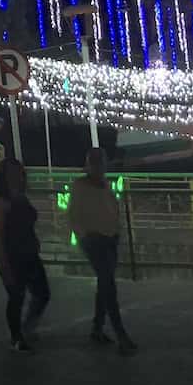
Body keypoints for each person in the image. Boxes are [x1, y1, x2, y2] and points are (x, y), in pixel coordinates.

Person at [68, 148, 137, 354]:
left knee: (104, 283)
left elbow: (112, 210)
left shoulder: (105, 185)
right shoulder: (80, 186)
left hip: (109, 239)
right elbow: (74, 214)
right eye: (95, 162)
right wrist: (84, 235)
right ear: (88, 164)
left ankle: (97, 328)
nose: (99, 167)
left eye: (102, 162)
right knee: (108, 285)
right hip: (94, 240)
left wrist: (116, 232)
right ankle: (120, 333)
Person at [0, 157, 49, 352]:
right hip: (13, 255)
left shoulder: (21, 196)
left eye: (19, 173)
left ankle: (27, 328)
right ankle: (17, 338)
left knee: (42, 293)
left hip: (30, 253)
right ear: (4, 177)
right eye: (11, 173)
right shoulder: (1, 202)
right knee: (17, 297)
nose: (16, 177)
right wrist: (2, 262)